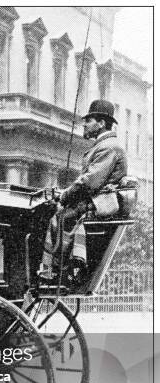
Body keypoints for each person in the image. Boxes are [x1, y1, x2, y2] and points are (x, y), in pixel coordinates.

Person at [39, 99, 127, 280]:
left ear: (101, 123)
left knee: (58, 216)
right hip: (95, 202)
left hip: (98, 205)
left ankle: (57, 271)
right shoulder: (105, 145)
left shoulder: (109, 147)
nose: (84, 125)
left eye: (88, 121)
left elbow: (89, 182)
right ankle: (56, 270)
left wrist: (64, 196)